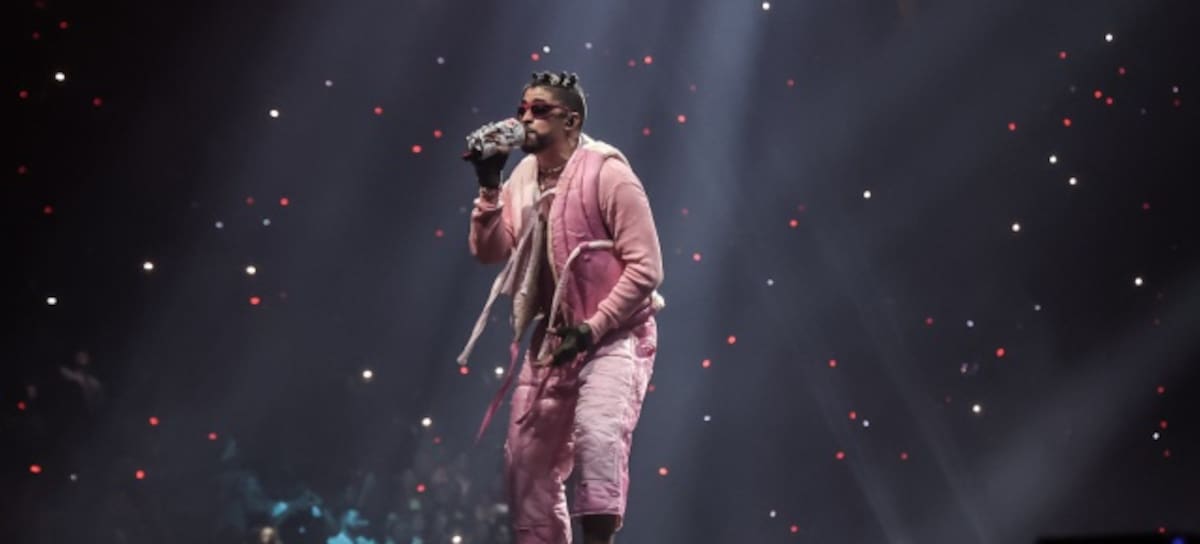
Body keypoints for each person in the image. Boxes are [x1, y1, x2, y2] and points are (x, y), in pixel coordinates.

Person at [458, 71, 665, 544]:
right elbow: (489, 252)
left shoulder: (608, 172)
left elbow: (647, 268)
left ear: (570, 121)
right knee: (525, 462)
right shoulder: (523, 178)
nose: (524, 118)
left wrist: (593, 329)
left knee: (598, 436)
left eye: (539, 110)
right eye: (522, 110)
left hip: (615, 335)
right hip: (554, 340)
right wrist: (489, 186)